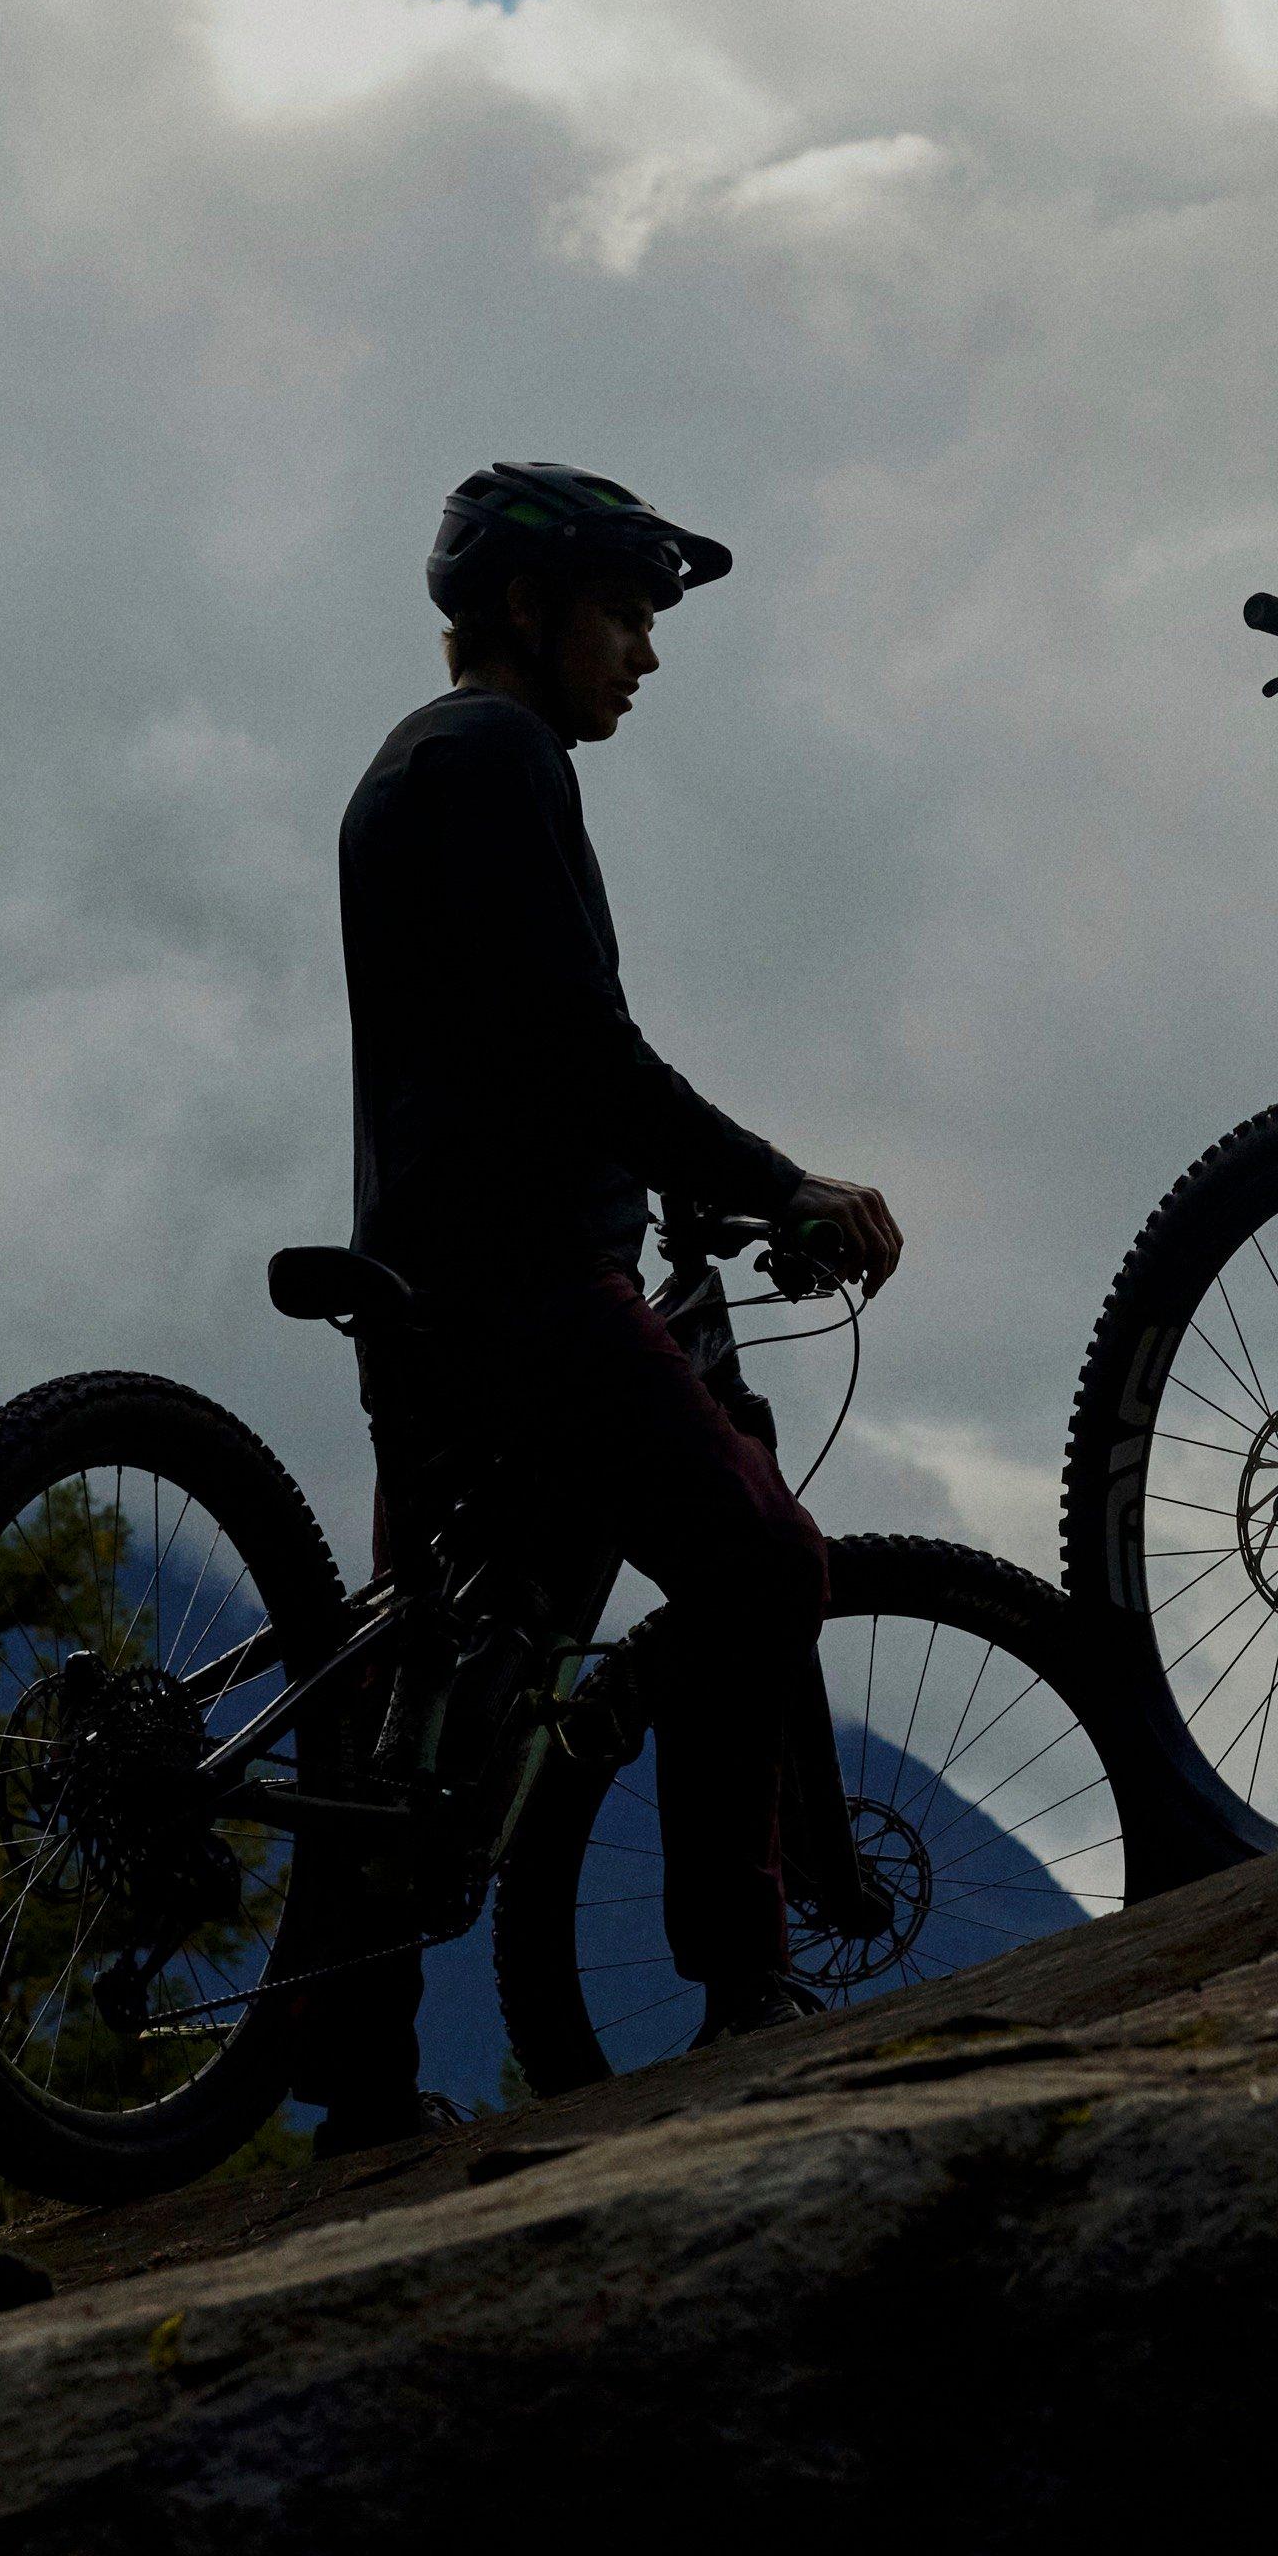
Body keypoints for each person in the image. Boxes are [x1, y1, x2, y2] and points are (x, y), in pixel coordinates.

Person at [290, 462, 904, 2156]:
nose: (646, 651)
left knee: (426, 1688)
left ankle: (359, 2084)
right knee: (764, 1562)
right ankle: (743, 1987)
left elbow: (499, 1057)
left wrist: (685, 1186)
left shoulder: (404, 772)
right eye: (625, 615)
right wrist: (783, 1182)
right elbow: (579, 1048)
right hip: (530, 1288)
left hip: (417, 1284)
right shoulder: (500, 756)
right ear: (523, 612)